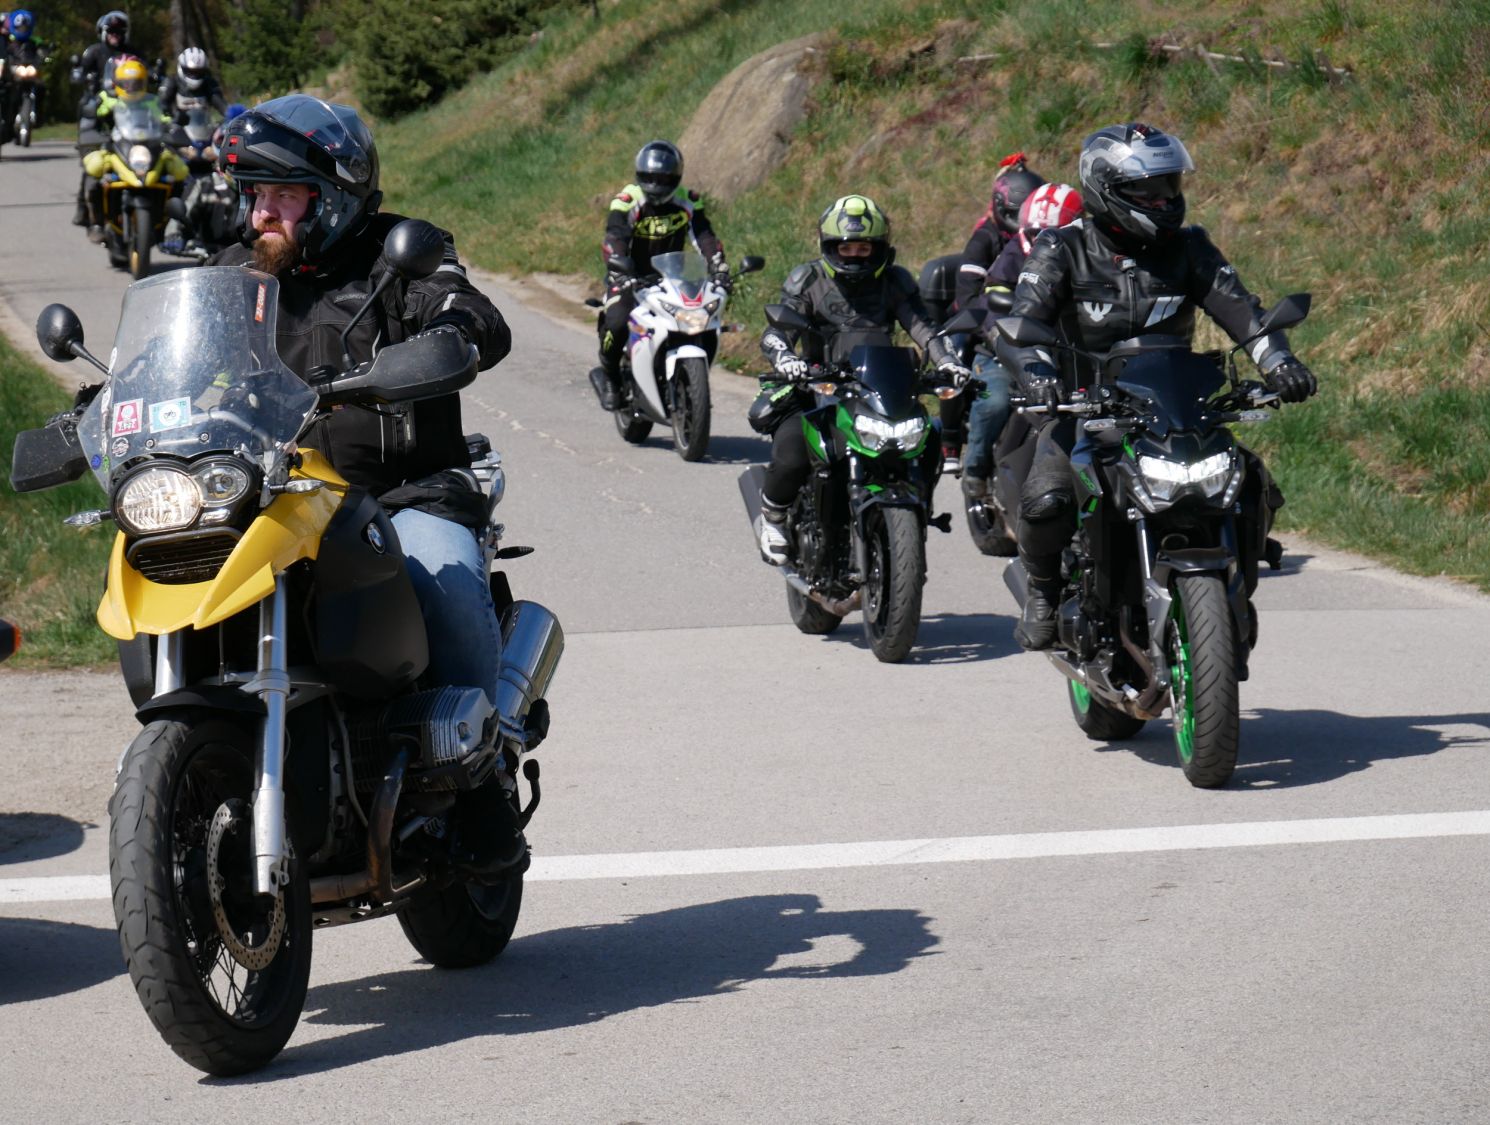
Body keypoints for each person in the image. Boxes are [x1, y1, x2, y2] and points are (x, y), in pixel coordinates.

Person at [210, 94, 521, 872]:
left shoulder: (401, 254)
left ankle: (484, 777)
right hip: (278, 501)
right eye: (255, 193)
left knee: (443, 580)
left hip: (402, 493)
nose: (262, 213)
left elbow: (473, 314)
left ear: (335, 197)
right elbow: (175, 359)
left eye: (284, 195)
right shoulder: (236, 274)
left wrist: (453, 331)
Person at [994, 122, 1317, 650]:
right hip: (1085, 411)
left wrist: (1280, 362)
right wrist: (1037, 372)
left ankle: (1234, 588)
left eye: (1169, 186)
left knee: (1252, 485)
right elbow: (1021, 324)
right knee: (1048, 499)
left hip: (1174, 410)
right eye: (1147, 190)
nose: (1164, 200)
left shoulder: (1191, 248)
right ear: (1105, 191)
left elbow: (1245, 313)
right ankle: (1044, 590)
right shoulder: (1061, 248)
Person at [752, 194, 968, 564]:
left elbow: (924, 328)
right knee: (793, 449)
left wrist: (948, 361)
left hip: (878, 388)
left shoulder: (895, 281)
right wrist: (786, 358)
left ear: (880, 249)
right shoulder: (809, 279)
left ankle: (916, 506)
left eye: (864, 248)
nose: (855, 256)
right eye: (846, 248)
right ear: (829, 247)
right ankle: (773, 517)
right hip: (819, 387)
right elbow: (776, 332)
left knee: (927, 436)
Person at [960, 181, 1083, 506]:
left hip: (1066, 350)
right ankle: (975, 472)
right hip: (1003, 348)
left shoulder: (1090, 252)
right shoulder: (1014, 252)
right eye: (1035, 233)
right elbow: (992, 301)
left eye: (1052, 232)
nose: (1043, 240)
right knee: (996, 401)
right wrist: (1003, 337)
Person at [593, 140, 726, 409]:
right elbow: (615, 235)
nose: (656, 184)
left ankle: (687, 380)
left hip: (673, 276)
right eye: (650, 177)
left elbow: (705, 236)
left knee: (702, 321)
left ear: (675, 178)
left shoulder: (688, 200)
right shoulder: (628, 200)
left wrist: (719, 266)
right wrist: (619, 265)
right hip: (628, 276)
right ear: (639, 175)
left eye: (664, 178)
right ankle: (611, 377)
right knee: (617, 322)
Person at [953, 152, 1046, 312]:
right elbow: (967, 303)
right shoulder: (982, 241)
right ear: (1006, 211)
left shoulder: (1041, 236)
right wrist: (1013, 308)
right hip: (987, 320)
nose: (1030, 221)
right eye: (1023, 213)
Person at [72, 10, 136, 225]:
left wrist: (156, 76)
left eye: (119, 31)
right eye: (111, 31)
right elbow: (79, 72)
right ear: (103, 32)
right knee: (94, 159)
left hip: (131, 110)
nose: (115, 35)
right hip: (100, 110)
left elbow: (147, 71)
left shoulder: (133, 53)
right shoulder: (94, 52)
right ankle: (84, 208)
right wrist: (81, 76)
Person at [159, 46, 226, 119]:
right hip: (176, 124)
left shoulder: (209, 83)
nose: (194, 75)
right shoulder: (171, 81)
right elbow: (162, 105)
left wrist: (230, 114)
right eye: (190, 71)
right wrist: (172, 115)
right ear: (181, 68)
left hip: (205, 124)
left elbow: (220, 104)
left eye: (199, 72)